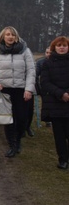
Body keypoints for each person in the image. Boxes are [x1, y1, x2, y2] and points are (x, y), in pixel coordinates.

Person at [0, 26, 36, 158]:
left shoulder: (25, 51)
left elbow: (31, 70)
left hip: (21, 89)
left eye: (13, 35)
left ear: (16, 37)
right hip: (4, 89)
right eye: (8, 34)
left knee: (21, 118)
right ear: (3, 36)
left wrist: (29, 89)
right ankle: (13, 144)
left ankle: (18, 139)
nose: (10, 37)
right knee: (8, 119)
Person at [39, 36, 69, 170]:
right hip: (55, 103)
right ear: (54, 47)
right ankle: (63, 159)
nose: (62, 47)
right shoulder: (48, 62)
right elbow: (45, 82)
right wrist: (60, 94)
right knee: (59, 135)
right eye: (59, 45)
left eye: (64, 45)